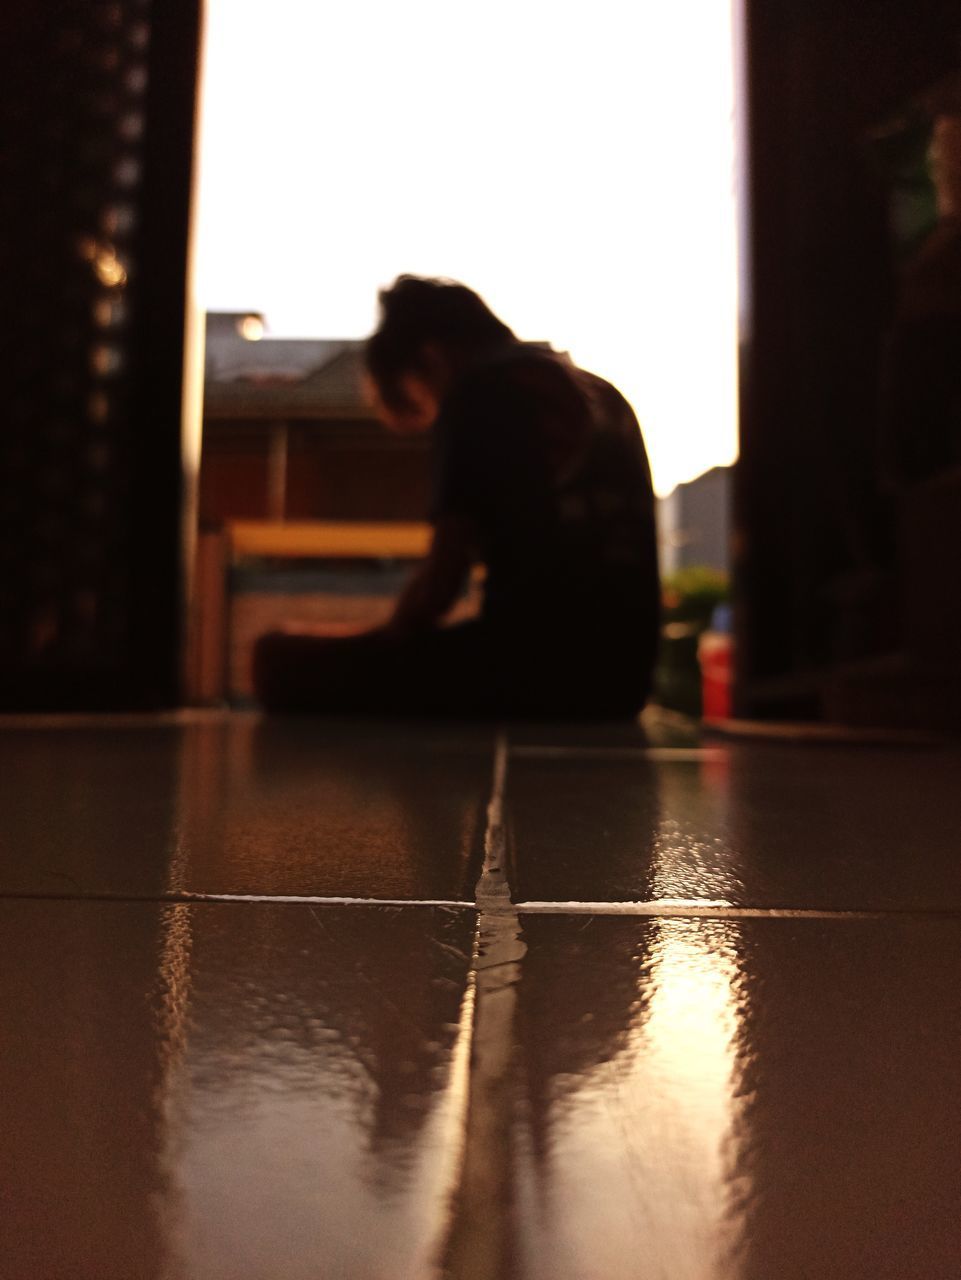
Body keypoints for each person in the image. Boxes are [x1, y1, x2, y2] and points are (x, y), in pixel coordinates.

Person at [253, 276, 660, 718]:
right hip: (624, 684)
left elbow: (441, 584)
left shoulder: (482, 389)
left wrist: (381, 640)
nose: (431, 410)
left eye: (419, 396)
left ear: (431, 357)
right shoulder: (602, 392)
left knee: (276, 658)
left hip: (535, 675)